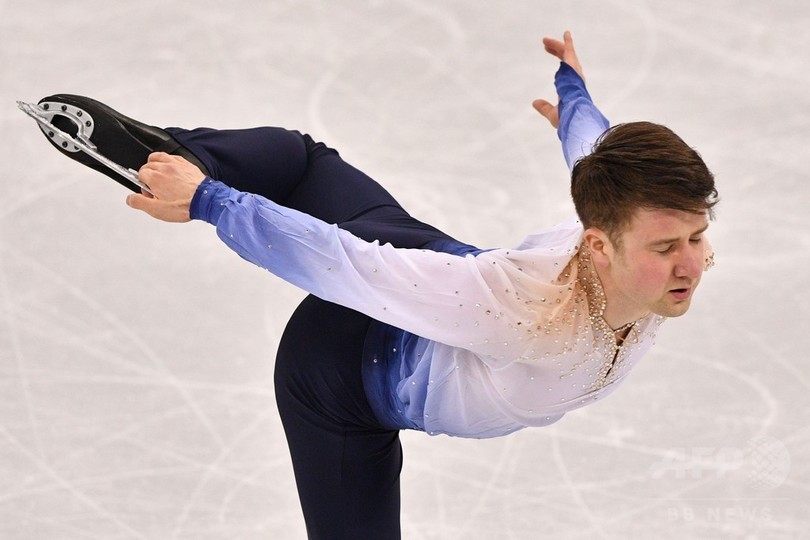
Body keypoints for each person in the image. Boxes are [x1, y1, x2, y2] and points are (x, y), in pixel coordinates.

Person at [29, 32, 717, 539]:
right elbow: (349, 268)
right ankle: (173, 163)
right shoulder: (528, 312)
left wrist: (573, 95)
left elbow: (595, 156)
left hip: (438, 271)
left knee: (305, 168)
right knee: (300, 171)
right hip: (342, 373)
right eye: (666, 247)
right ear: (597, 245)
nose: (692, 264)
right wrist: (210, 200)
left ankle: (178, 165)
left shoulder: (633, 241)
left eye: (695, 238)